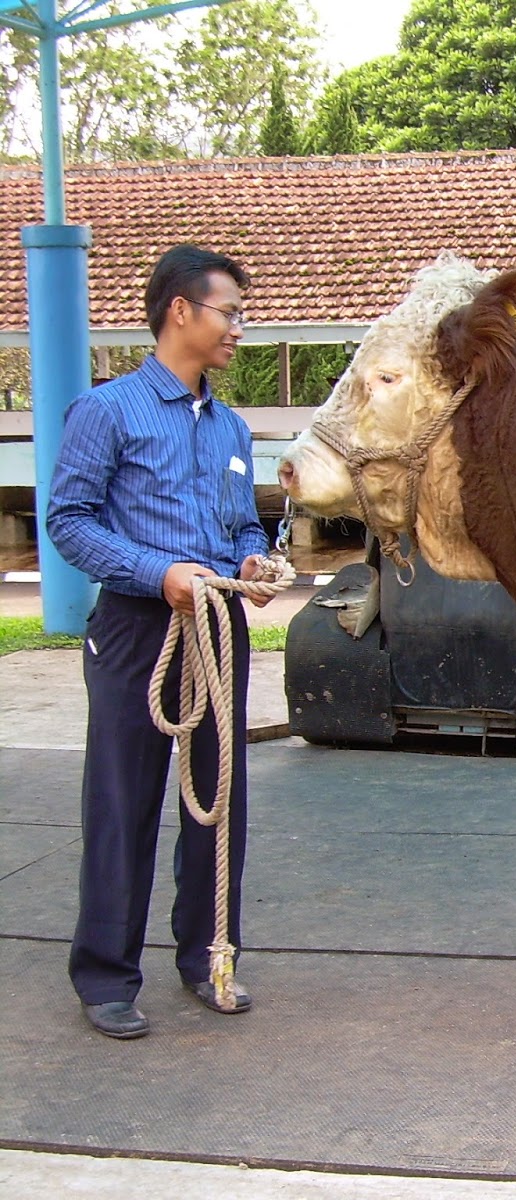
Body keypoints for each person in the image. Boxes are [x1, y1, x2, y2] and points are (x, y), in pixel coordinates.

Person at [46, 244, 272, 1039]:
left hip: (217, 626)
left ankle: (209, 957)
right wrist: (158, 571)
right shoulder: (106, 412)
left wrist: (251, 556)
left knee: (220, 804)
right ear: (181, 310)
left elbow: (243, 520)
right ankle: (106, 975)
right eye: (231, 312)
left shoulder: (233, 427)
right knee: (123, 800)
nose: (240, 328)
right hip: (140, 630)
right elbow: (67, 522)